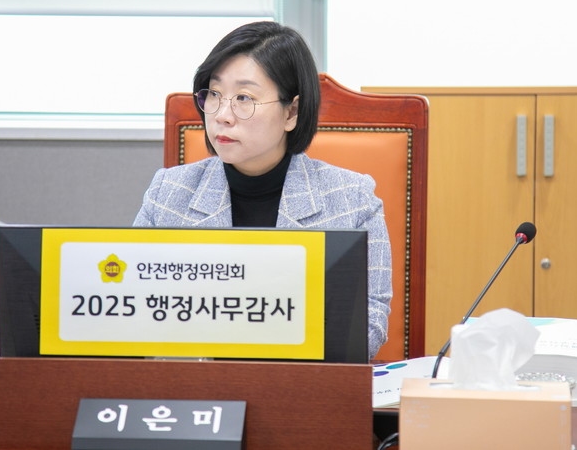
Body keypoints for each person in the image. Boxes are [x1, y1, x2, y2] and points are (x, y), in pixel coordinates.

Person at [134, 21, 392, 359]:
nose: (223, 115)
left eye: (244, 98)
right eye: (214, 94)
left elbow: (367, 328)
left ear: (291, 112)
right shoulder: (168, 193)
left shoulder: (353, 200)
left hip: (299, 385)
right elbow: (134, 313)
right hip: (197, 385)